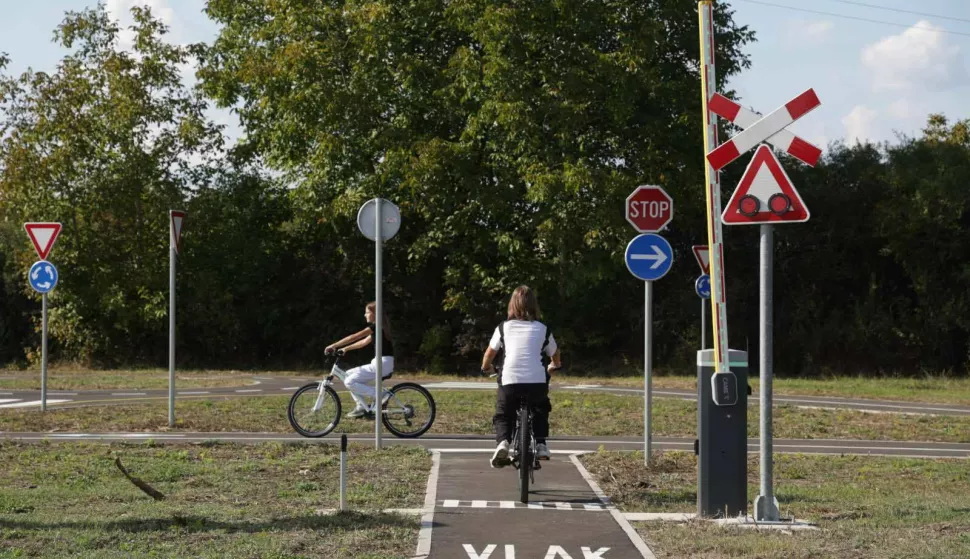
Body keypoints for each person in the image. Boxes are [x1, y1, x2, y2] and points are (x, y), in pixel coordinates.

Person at [481, 285, 561, 468]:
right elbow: (555, 353)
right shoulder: (543, 329)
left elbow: (489, 354)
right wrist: (555, 365)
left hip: (510, 381)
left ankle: (502, 443)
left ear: (511, 305)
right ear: (534, 306)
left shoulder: (503, 328)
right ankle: (541, 444)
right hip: (536, 382)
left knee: (503, 412)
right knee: (540, 407)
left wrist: (486, 367)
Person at [325, 301, 395, 418]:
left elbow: (355, 336)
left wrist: (334, 345)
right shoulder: (379, 328)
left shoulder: (377, 326)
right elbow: (363, 342)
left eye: (367, 312)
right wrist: (345, 349)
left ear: (374, 313)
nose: (365, 315)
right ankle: (361, 406)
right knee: (347, 375)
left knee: (349, 382)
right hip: (382, 362)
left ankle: (381, 395)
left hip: (382, 363)